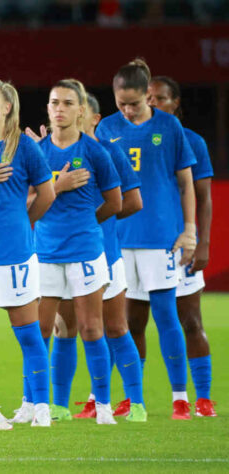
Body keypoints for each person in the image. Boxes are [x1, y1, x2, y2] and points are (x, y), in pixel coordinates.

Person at [96, 59, 197, 419]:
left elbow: (186, 183)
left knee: (167, 317)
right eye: (121, 103)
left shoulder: (169, 126)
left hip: (160, 238)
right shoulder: (106, 128)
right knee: (124, 323)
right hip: (119, 239)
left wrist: (190, 230)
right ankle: (127, 398)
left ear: (147, 94)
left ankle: (179, 398)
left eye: (134, 104)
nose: (127, 110)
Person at [51, 89, 147, 422]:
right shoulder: (52, 150)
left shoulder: (108, 152)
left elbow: (132, 201)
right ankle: (60, 405)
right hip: (62, 253)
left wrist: (86, 221)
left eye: (76, 109)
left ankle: (136, 403)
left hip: (103, 252)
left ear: (91, 117)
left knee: (114, 327)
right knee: (65, 328)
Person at [0, 78, 55, 427]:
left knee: (28, 332)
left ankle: (40, 406)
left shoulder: (24, 148)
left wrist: (23, 222)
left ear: (6, 107)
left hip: (14, 254)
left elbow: (46, 194)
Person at [36, 79, 122, 425]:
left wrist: (85, 222)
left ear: (82, 111)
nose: (60, 109)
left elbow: (115, 202)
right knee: (41, 330)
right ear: (47, 109)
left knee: (91, 328)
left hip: (86, 250)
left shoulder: (95, 151)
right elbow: (28, 202)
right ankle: (39, 406)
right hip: (44, 251)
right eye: (54, 102)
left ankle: (102, 406)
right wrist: (57, 188)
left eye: (68, 103)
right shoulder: (37, 151)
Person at [131, 76, 214, 417]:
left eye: (161, 98)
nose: (154, 103)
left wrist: (202, 241)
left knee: (190, 321)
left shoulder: (191, 141)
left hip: (178, 246)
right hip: (137, 244)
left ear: (175, 102)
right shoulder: (129, 136)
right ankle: (133, 397)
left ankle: (202, 396)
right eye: (148, 97)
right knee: (132, 324)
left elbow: (204, 197)